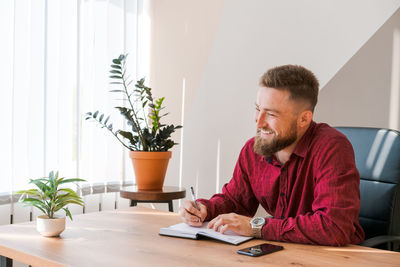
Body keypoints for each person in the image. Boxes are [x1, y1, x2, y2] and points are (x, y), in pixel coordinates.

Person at [179, 65, 365, 246]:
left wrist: (256, 227)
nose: (258, 122)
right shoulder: (253, 149)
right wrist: (204, 209)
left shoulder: (332, 148)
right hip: (282, 252)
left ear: (304, 119)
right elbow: (236, 201)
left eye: (271, 114)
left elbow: (333, 228)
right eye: (258, 109)